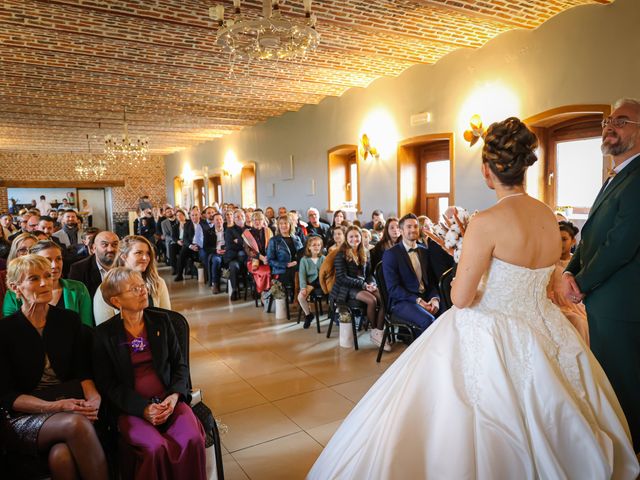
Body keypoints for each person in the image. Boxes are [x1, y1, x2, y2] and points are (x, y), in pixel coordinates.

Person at [308, 117, 640, 479]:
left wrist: (463, 260)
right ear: (526, 166)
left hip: (491, 328)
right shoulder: (548, 217)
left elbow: (462, 298)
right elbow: (540, 281)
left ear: (486, 171)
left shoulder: (487, 221)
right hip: (545, 327)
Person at [562, 98, 640, 453]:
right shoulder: (616, 177)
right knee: (609, 380)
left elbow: (621, 243)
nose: (610, 126)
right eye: (608, 120)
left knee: (624, 383)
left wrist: (582, 283)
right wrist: (568, 270)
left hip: (623, 302)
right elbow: (591, 236)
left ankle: (630, 455)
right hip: (604, 299)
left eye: (621, 121)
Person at [0, 255, 108, 480]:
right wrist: (55, 406)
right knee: (76, 424)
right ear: (15, 288)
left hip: (70, 403)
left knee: (61, 457)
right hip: (25, 414)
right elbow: (7, 396)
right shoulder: (5, 331)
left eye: (48, 276)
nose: (44, 283)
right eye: (33, 278)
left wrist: (93, 397)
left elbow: (83, 371)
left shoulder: (68, 320)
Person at [92, 267, 206, 480]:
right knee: (155, 448)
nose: (142, 291)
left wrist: (174, 397)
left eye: (142, 286)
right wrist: (142, 408)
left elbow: (180, 365)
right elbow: (108, 384)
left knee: (191, 438)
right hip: (131, 409)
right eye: (133, 289)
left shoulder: (162, 321)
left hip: (169, 401)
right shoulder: (103, 335)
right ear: (116, 301)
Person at [3, 241, 93, 327]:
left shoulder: (78, 288)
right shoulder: (12, 295)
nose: (55, 265)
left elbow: (86, 329)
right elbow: (11, 329)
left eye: (59, 259)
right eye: (47, 260)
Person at [330, 225, 388, 351]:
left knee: (383, 298)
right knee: (372, 300)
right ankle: (374, 330)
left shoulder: (365, 252)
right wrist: (363, 285)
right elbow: (341, 277)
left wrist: (372, 284)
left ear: (361, 238)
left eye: (357, 236)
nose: (354, 239)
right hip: (346, 288)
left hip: (363, 285)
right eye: (351, 236)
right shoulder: (341, 254)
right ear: (346, 238)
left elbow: (369, 274)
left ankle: (379, 330)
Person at [382, 213, 441, 334]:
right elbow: (393, 289)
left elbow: (431, 280)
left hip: (425, 297)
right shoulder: (391, 254)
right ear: (401, 230)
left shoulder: (424, 251)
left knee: (448, 313)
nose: (413, 229)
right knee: (428, 320)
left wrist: (435, 299)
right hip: (402, 301)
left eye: (415, 226)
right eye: (409, 227)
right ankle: (423, 352)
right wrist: (418, 300)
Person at [94, 235, 171, 325]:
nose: (145, 258)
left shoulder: (157, 282)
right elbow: (104, 329)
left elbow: (167, 319)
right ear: (124, 257)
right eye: (138, 253)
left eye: (148, 253)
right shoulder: (107, 288)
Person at [545, 221, 589, 345]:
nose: (560, 243)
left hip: (577, 304)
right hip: (558, 305)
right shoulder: (549, 262)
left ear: (573, 241)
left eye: (564, 239)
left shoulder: (577, 262)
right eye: (557, 239)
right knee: (579, 323)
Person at [69, 230, 120, 300]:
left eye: (115, 244)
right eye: (104, 245)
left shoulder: (126, 265)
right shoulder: (79, 269)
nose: (110, 249)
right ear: (93, 248)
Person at [266, 214, 303, 292]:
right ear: (278, 226)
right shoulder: (274, 240)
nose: (283, 225)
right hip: (282, 269)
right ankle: (296, 297)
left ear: (290, 225)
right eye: (281, 223)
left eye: (285, 223)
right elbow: (270, 260)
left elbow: (302, 254)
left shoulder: (297, 238)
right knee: (296, 275)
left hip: (297, 267)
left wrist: (297, 262)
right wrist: (286, 265)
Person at [243, 211, 273, 296]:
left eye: (260, 219)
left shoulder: (268, 231)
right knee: (265, 272)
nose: (257, 221)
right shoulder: (247, 233)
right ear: (252, 221)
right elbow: (249, 251)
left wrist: (268, 257)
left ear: (264, 221)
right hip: (254, 261)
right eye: (255, 219)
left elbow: (272, 246)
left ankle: (274, 292)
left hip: (268, 259)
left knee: (277, 271)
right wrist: (261, 258)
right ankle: (264, 293)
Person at [298, 235, 325, 328]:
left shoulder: (323, 259)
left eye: (318, 245)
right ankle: (308, 315)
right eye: (314, 245)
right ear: (309, 247)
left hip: (321, 284)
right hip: (309, 283)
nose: (316, 247)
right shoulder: (304, 260)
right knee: (301, 297)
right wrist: (303, 287)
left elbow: (325, 274)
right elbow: (302, 275)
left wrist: (314, 285)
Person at [224, 209, 248, 300]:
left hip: (246, 257)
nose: (240, 218)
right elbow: (230, 246)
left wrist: (238, 241)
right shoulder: (230, 230)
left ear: (245, 218)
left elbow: (251, 245)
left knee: (251, 264)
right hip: (234, 257)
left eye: (241, 216)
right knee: (234, 267)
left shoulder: (248, 229)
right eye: (237, 217)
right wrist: (243, 244)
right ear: (233, 219)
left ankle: (253, 289)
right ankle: (234, 290)